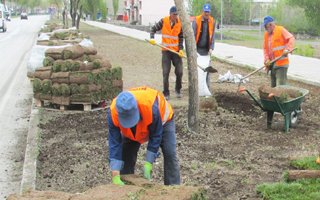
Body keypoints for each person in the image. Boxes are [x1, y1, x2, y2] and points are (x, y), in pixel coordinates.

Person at [107, 86, 180, 186]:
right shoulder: (113, 113)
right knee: (126, 152)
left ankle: (174, 188)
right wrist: (115, 173)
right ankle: (126, 186)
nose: (131, 123)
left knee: (169, 152)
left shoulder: (150, 107)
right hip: (135, 129)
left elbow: (156, 135)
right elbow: (114, 143)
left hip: (163, 121)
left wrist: (148, 163)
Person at [149, 6, 184, 100]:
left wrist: (181, 49)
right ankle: (166, 93)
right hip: (166, 51)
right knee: (165, 73)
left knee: (180, 72)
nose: (176, 16)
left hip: (176, 51)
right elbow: (153, 29)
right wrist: (152, 38)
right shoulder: (163, 21)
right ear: (170, 14)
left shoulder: (180, 23)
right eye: (174, 14)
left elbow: (181, 37)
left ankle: (178, 89)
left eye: (177, 14)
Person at [263, 16, 295, 87]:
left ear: (271, 24)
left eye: (266, 26)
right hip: (272, 64)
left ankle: (282, 98)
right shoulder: (266, 35)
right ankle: (274, 98)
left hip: (281, 64)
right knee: (273, 87)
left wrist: (287, 49)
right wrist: (267, 59)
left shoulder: (280, 30)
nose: (265, 28)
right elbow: (265, 49)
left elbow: (291, 38)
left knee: (280, 87)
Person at [192, 3, 216, 93]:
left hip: (206, 50)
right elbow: (192, 35)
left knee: (207, 71)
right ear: (203, 11)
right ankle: (197, 89)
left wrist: (211, 48)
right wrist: (192, 49)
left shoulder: (212, 21)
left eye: (208, 12)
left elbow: (213, 36)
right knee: (197, 70)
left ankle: (206, 90)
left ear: (210, 12)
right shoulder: (196, 20)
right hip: (197, 49)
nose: (206, 13)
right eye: (205, 12)